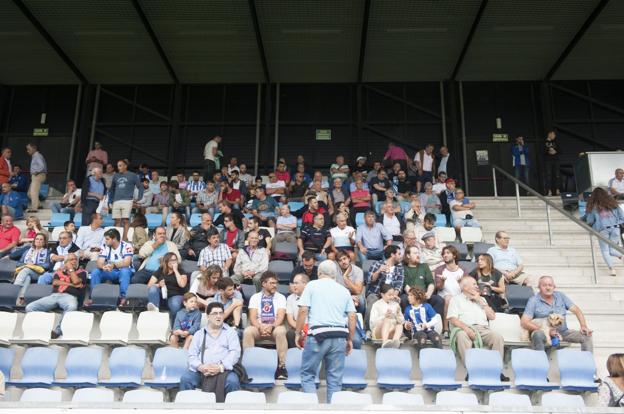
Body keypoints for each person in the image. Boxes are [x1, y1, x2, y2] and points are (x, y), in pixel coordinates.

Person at [295, 260, 356, 403]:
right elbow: (352, 316)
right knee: (335, 380)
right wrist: (350, 339)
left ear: (319, 272)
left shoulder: (311, 286)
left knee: (308, 375)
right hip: (339, 336)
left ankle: (312, 409)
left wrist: (298, 333)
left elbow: (303, 310)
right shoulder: (343, 290)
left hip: (318, 335)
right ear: (335, 274)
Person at [179, 302, 241, 401]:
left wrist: (220, 367)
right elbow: (191, 355)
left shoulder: (231, 333)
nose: (218, 316)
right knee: (186, 379)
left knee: (232, 381)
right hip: (202, 370)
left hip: (224, 370)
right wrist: (201, 367)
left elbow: (235, 353)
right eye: (215, 313)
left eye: (221, 313)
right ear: (208, 316)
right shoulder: (199, 334)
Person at [447, 276, 506, 377]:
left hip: (483, 329)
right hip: (464, 328)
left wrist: (480, 301)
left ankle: (496, 371)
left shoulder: (482, 299)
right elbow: (452, 318)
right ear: (465, 287)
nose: (477, 286)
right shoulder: (456, 300)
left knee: (498, 337)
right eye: (474, 284)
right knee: (461, 335)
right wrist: (467, 329)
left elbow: (492, 316)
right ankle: (471, 370)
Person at [521, 275, 593, 353]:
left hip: (562, 332)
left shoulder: (560, 296)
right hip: (543, 331)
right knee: (538, 335)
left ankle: (588, 363)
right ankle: (540, 363)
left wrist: (583, 326)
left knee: (586, 336)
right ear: (539, 287)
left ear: (554, 287)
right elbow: (524, 322)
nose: (548, 288)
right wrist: (546, 331)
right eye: (544, 285)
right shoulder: (533, 300)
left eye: (550, 285)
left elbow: (577, 311)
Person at [25, 253, 87, 339]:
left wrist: (71, 270)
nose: (74, 261)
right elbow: (55, 282)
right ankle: (45, 329)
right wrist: (72, 284)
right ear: (65, 262)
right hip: (54, 296)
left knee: (72, 307)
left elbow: (76, 281)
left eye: (75, 259)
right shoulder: (59, 271)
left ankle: (57, 331)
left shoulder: (82, 272)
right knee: (30, 307)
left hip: (69, 296)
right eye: (71, 260)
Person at [243, 271, 288, 379]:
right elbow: (253, 317)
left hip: (275, 327)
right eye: (272, 283)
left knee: (281, 331)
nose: (275, 285)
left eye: (275, 283)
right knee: (248, 331)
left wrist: (271, 326)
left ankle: (282, 367)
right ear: (263, 284)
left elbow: (280, 317)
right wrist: (260, 327)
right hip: (259, 327)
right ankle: (248, 366)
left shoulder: (281, 297)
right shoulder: (255, 297)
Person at [585, 187, 624, 276]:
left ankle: (612, 269)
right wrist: (616, 223)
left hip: (602, 230)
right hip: (615, 229)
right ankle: (621, 256)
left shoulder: (593, 207)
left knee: (605, 250)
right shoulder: (613, 205)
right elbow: (623, 217)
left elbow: (590, 221)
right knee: (611, 249)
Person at [89, 229, 134, 303]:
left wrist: (114, 265)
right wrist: (103, 267)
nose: (105, 241)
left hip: (125, 271)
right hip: (111, 271)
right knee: (95, 271)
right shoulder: (104, 246)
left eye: (107, 239)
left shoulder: (127, 246)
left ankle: (124, 298)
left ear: (114, 239)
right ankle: (93, 297)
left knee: (124, 271)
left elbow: (126, 263)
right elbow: (99, 262)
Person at [365, 245, 404, 327]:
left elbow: (399, 285)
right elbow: (369, 280)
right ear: (392, 255)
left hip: (391, 295)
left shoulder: (400, 268)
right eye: (399, 254)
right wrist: (378, 271)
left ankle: (397, 330)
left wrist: (394, 295)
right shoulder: (377, 264)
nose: (401, 256)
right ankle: (368, 330)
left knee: (398, 301)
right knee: (372, 301)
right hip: (376, 293)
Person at [146, 252, 189, 324]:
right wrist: (159, 285)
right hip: (161, 297)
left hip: (175, 295)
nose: (174, 262)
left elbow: (182, 284)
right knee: (153, 288)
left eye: (175, 260)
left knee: (175, 304)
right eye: (171, 260)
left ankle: (174, 328)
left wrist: (175, 270)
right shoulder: (160, 270)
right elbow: (149, 286)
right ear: (166, 261)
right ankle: (154, 314)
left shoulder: (181, 271)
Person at [402, 245, 444, 316]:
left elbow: (431, 283)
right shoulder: (403, 268)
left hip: (425, 295)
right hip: (410, 295)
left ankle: (434, 323)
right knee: (403, 299)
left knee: (438, 300)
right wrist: (415, 296)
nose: (418, 255)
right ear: (408, 255)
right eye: (415, 253)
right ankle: (409, 324)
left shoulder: (424, 266)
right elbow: (405, 285)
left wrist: (428, 294)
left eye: (418, 253)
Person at [434, 245, 465, 335]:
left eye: (448, 253)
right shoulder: (439, 269)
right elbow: (439, 287)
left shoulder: (463, 270)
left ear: (454, 255)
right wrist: (443, 281)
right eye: (443, 254)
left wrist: (460, 283)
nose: (445, 255)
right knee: (448, 298)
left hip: (459, 296)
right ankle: (446, 328)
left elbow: (467, 287)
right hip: (444, 297)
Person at [108, 159, 143, 240]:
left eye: (120, 166)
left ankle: (124, 238)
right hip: (116, 201)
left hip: (127, 200)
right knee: (117, 221)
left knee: (126, 220)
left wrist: (139, 198)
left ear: (125, 166)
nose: (118, 167)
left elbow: (140, 186)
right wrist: (110, 201)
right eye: (117, 166)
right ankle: (116, 239)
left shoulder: (133, 175)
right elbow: (111, 189)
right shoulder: (116, 176)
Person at [13, 233, 51, 300]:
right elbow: (19, 264)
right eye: (37, 239)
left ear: (44, 242)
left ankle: (15, 288)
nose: (38, 241)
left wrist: (33, 265)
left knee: (26, 270)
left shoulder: (48, 252)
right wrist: (27, 265)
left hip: (39, 273)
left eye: (41, 239)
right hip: (27, 273)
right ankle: (21, 297)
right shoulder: (28, 251)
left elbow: (47, 265)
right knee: (27, 277)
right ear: (34, 241)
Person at [286, 273, 308, 348]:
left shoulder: (314, 297)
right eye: (293, 283)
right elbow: (290, 320)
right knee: (290, 334)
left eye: (296, 283)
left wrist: (306, 330)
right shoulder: (290, 298)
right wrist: (300, 329)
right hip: (297, 327)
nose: (293, 286)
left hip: (311, 328)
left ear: (305, 284)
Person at [26, 143, 47, 212]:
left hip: (38, 175)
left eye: (29, 149)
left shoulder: (37, 155)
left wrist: (36, 172)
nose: (27, 151)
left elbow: (42, 166)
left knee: (33, 192)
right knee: (29, 193)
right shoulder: (35, 156)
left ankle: (34, 208)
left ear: (34, 149)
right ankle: (38, 204)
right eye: (27, 149)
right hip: (37, 175)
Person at [544, 131, 561, 196]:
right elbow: (542, 151)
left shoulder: (556, 142)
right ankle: (549, 191)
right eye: (553, 134)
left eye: (554, 135)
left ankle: (557, 190)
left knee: (557, 175)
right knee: (548, 175)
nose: (554, 136)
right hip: (548, 161)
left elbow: (561, 150)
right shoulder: (544, 142)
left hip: (556, 160)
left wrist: (555, 151)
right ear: (549, 135)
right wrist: (548, 151)